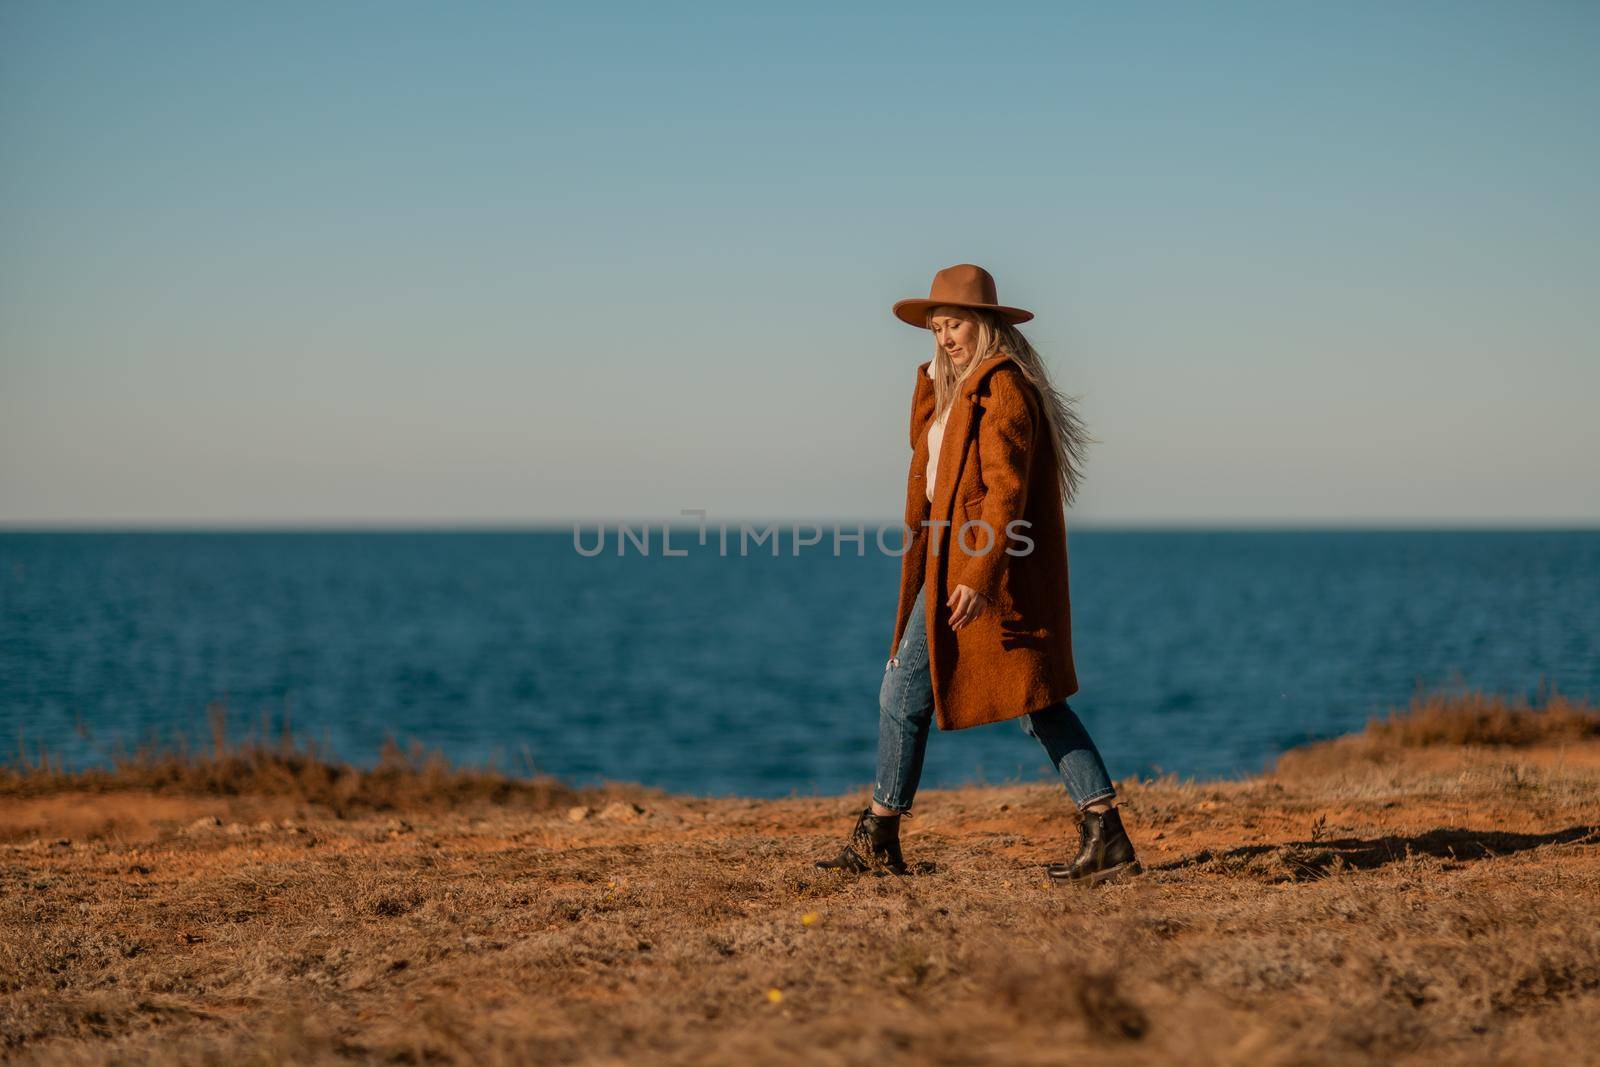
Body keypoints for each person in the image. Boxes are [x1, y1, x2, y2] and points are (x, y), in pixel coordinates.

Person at [816, 263, 1139, 886]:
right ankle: (1107, 833)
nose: (944, 336)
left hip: (982, 568)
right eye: (936, 326)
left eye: (955, 323)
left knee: (911, 695)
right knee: (1036, 702)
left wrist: (980, 572)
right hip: (947, 561)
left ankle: (879, 837)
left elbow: (1005, 491)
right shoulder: (952, 390)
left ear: (986, 324)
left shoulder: (1002, 388)